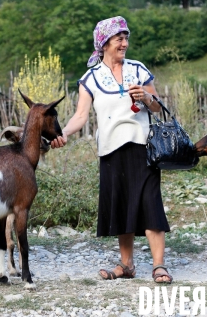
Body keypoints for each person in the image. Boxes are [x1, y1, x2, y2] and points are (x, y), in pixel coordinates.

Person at [51, 16, 173, 284]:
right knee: (121, 205)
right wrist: (64, 133)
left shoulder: (139, 70)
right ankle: (127, 266)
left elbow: (157, 106)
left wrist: (147, 97)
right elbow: (81, 116)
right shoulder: (90, 78)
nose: (125, 43)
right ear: (104, 43)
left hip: (143, 147)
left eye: (126, 38)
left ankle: (158, 265)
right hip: (110, 150)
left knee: (150, 202)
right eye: (119, 39)